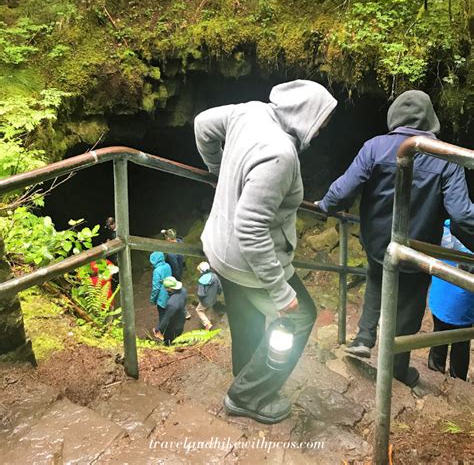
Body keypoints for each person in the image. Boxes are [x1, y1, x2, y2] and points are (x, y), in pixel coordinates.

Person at [194, 80, 337, 424]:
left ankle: (244, 376)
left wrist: (217, 167)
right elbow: (251, 227)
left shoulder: (248, 111)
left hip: (217, 249)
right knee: (301, 316)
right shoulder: (280, 155)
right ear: (304, 116)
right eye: (320, 124)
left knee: (247, 319)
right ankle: (247, 396)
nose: (319, 133)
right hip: (247, 261)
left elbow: (201, 124)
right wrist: (278, 288)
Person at [315, 90, 474, 388]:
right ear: (431, 120)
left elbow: (344, 189)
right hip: (417, 249)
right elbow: (463, 216)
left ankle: (364, 336)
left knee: (377, 277)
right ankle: (397, 367)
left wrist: (324, 207)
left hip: (378, 243)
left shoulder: (374, 147)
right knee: (410, 307)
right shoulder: (447, 158)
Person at [428, 220, 474, 381]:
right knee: (461, 339)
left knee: (440, 332)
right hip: (464, 297)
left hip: (442, 290)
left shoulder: (448, 224)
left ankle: (434, 372)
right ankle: (458, 379)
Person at [161, 228, 191, 319]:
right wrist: (165, 233)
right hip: (180, 270)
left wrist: (172, 279)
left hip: (174, 274)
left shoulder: (171, 254)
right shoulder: (180, 242)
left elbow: (174, 266)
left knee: (175, 292)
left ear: (169, 239)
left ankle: (184, 312)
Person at [153, 276, 188, 344]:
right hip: (181, 320)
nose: (165, 289)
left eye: (166, 288)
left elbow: (166, 319)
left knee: (169, 342)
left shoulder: (172, 303)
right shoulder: (183, 290)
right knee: (178, 337)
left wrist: (158, 329)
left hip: (173, 327)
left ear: (170, 289)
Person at [196, 261, 222, 331]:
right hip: (213, 298)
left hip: (205, 301)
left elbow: (200, 294)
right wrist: (218, 293)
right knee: (209, 308)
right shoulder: (214, 276)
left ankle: (207, 324)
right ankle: (208, 320)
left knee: (199, 310)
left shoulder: (201, 281)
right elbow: (219, 287)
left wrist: (201, 299)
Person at [149, 251, 172, 327]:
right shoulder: (167, 265)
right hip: (170, 293)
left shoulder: (157, 271)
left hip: (161, 297)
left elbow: (156, 288)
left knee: (162, 315)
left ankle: (163, 333)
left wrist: (153, 299)